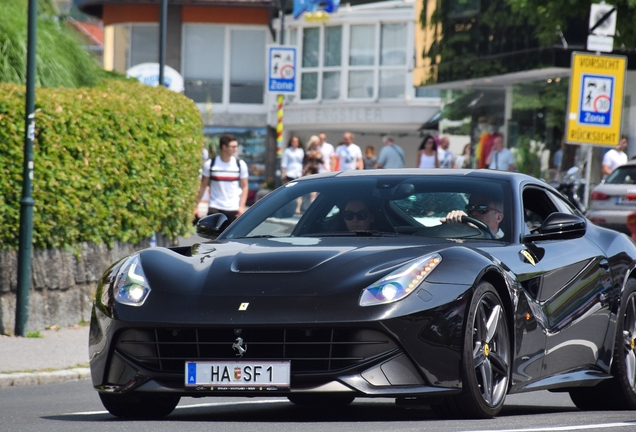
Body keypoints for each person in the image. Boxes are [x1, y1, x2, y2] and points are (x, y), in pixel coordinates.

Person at [195, 134, 248, 223]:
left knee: (230, 237)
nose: (236, 149)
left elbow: (245, 187)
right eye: (233, 147)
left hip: (233, 208)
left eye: (236, 146)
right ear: (224, 147)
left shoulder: (240, 164)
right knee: (213, 236)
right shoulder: (211, 164)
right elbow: (203, 186)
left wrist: (241, 207)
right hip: (215, 206)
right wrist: (195, 206)